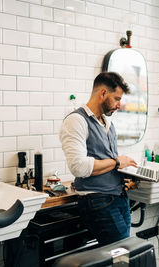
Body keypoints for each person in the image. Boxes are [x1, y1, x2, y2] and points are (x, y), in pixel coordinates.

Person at [59, 72, 137, 246]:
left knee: (121, 255)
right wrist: (117, 162)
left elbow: (105, 161)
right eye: (116, 99)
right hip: (98, 202)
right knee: (122, 255)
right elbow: (78, 167)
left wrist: (128, 173)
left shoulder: (107, 124)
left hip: (118, 197)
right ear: (102, 93)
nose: (119, 105)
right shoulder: (76, 121)